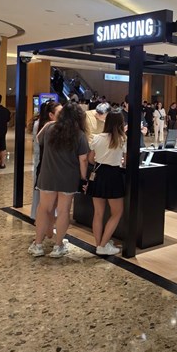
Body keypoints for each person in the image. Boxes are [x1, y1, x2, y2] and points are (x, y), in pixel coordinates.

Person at [28, 102, 89, 258]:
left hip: (48, 175)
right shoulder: (79, 135)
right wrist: (84, 178)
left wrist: (50, 123)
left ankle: (38, 245)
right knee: (63, 211)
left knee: (44, 209)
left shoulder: (50, 129)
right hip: (68, 178)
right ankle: (58, 246)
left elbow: (38, 139)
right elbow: (83, 160)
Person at [87, 109, 127, 255]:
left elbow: (90, 159)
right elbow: (126, 162)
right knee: (117, 212)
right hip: (114, 176)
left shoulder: (97, 138)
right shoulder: (122, 139)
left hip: (98, 175)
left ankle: (99, 244)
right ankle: (103, 245)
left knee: (98, 213)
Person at [30, 100, 62, 221]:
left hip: (41, 163)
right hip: (44, 164)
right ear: (51, 114)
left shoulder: (40, 124)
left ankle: (39, 218)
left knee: (42, 194)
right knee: (45, 195)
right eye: (59, 112)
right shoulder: (50, 127)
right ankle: (43, 220)